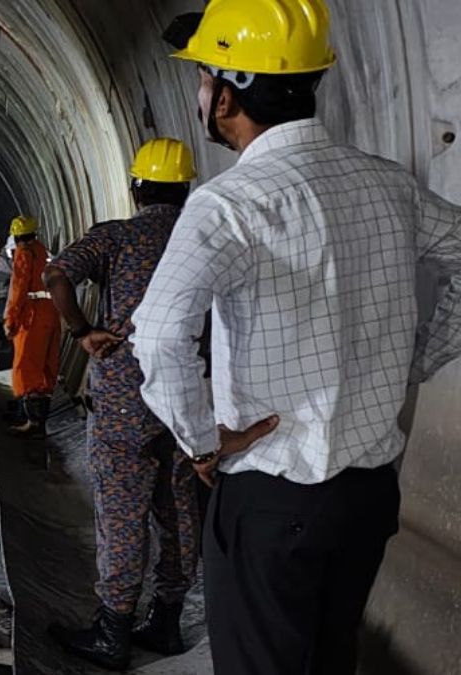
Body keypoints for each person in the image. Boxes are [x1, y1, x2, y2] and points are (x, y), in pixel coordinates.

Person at [131, 1, 461, 673]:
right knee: (328, 656)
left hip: (272, 498)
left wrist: (200, 440)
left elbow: (160, 335)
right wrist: (418, 358)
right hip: (367, 496)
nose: (198, 96)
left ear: (226, 94)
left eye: (201, 79)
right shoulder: (388, 185)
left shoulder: (229, 204)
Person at [42, 138, 201, 670]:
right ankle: (167, 620)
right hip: (187, 395)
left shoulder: (117, 235)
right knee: (177, 507)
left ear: (136, 188)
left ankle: (112, 629)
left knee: (122, 510)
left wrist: (83, 331)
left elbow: (56, 274)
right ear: (185, 188)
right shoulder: (202, 235)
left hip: (123, 398)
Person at [2, 215, 61, 437]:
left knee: (26, 366)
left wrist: (10, 321)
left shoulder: (24, 254)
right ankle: (37, 419)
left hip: (32, 313)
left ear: (16, 237)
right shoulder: (44, 253)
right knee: (46, 366)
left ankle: (31, 422)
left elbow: (18, 289)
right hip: (51, 311)